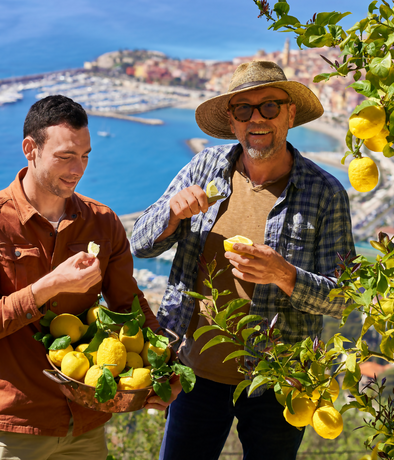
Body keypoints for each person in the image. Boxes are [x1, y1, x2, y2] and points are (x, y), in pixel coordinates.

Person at [131, 60, 355, 459]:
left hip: (278, 382)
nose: (257, 118)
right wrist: (171, 215)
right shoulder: (206, 167)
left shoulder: (325, 193)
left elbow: (344, 297)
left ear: (289, 114)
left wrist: (285, 275)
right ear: (232, 121)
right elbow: (140, 244)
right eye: (244, 109)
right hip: (195, 374)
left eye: (270, 106)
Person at [0, 95, 181, 460]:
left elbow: (128, 304)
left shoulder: (102, 222)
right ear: (30, 149)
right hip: (16, 426)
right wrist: (48, 287)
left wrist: (164, 367)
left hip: (87, 421)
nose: (77, 169)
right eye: (66, 156)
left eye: (85, 156)